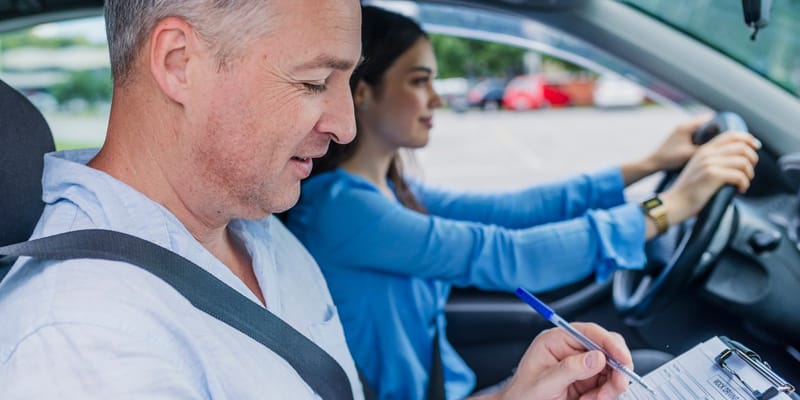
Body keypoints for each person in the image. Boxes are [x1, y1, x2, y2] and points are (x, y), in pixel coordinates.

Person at [0, 1, 636, 399]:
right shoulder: (85, 341)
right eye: (312, 81)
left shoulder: (257, 233)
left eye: (347, 81)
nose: (345, 124)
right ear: (179, 61)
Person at [284, 6, 761, 400]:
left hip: (451, 389)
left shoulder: (389, 192)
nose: (437, 98)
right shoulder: (341, 210)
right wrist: (669, 208)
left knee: (645, 372)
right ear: (364, 93)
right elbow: (508, 254)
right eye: (418, 80)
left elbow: (515, 211)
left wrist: (646, 165)